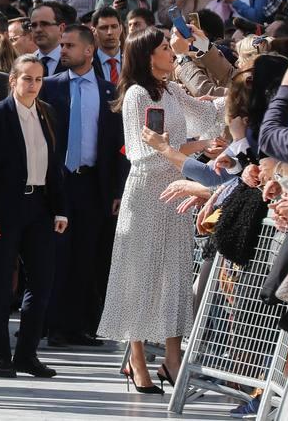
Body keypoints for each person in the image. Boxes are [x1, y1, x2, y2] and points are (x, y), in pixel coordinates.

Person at [99, 27, 224, 394]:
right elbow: (143, 155)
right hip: (146, 196)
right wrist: (197, 146)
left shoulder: (171, 90)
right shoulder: (137, 94)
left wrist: (241, 93)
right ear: (148, 55)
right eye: (166, 48)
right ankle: (137, 359)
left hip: (177, 194)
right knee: (139, 276)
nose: (172, 53)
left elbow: (208, 112)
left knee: (175, 276)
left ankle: (173, 357)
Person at [0, 55, 68, 378]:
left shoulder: (48, 114)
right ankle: (1, 357)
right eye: (27, 78)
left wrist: (60, 209)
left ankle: (26, 354)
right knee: (0, 287)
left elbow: (54, 166)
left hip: (40, 208)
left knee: (42, 283)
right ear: (12, 80)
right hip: (4, 211)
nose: (33, 85)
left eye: (39, 79)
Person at [43, 25, 125, 349]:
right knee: (56, 257)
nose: (62, 50)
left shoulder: (110, 92)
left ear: (89, 50)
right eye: (61, 44)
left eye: (69, 45)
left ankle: (81, 326)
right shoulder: (49, 88)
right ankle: (53, 326)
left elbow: (118, 145)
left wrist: (117, 189)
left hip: (93, 184)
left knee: (87, 258)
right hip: (58, 183)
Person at [29, 1, 69, 76]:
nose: (38, 30)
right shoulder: (25, 64)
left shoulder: (75, 62)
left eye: (44, 24)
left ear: (61, 28)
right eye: (34, 25)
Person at [91, 7, 124, 83]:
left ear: (121, 28)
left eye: (114, 27)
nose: (110, 32)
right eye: (104, 28)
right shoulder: (88, 64)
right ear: (94, 31)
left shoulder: (132, 61)